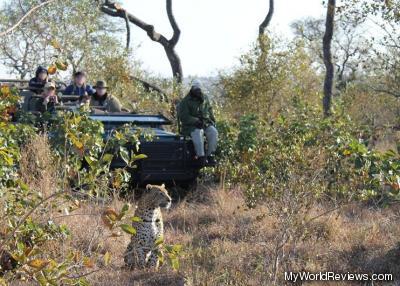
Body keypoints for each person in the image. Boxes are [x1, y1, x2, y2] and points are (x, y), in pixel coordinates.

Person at [178, 80, 218, 166]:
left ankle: (210, 156)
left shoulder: (205, 98)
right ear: (192, 89)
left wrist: (212, 121)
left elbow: (210, 111)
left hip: (205, 123)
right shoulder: (185, 101)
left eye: (199, 88)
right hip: (191, 126)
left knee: (213, 132)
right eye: (196, 88)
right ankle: (201, 157)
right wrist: (195, 120)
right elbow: (183, 117)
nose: (198, 90)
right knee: (198, 132)